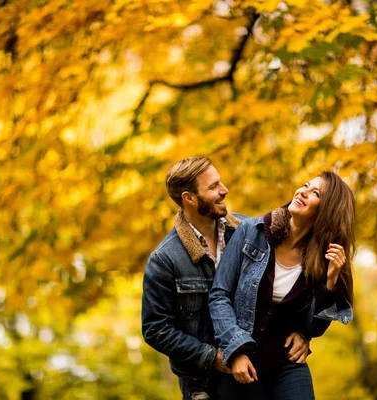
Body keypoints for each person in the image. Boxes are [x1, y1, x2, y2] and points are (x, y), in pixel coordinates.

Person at [141, 156, 308, 400]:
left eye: (220, 182)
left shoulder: (249, 231)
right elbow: (156, 329)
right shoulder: (165, 259)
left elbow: (287, 281)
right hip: (204, 383)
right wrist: (212, 357)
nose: (224, 190)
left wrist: (304, 331)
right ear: (189, 198)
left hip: (260, 366)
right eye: (213, 187)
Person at [208, 170, 355, 400]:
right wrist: (235, 350)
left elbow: (313, 326)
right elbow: (219, 295)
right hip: (240, 358)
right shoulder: (251, 232)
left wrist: (330, 283)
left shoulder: (326, 259)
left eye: (315, 192)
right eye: (305, 185)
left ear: (327, 211)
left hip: (285, 363)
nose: (303, 192)